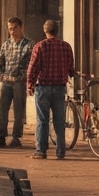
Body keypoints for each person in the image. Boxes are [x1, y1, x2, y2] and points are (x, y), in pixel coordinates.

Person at [27, 19, 76, 160]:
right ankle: (61, 151)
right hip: (60, 88)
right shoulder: (66, 47)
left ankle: (41, 151)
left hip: (43, 87)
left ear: (45, 30)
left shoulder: (40, 46)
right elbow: (71, 68)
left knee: (42, 120)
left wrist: (30, 85)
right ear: (57, 30)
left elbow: (32, 68)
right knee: (59, 120)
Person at [0, 17, 32, 148]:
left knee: (18, 110)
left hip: (19, 82)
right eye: (10, 28)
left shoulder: (28, 44)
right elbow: (0, 60)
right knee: (2, 109)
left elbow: (30, 63)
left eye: (15, 28)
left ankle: (16, 137)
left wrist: (24, 77)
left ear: (21, 27)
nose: (12, 31)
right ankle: (0, 135)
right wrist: (1, 75)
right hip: (7, 81)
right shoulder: (6, 44)